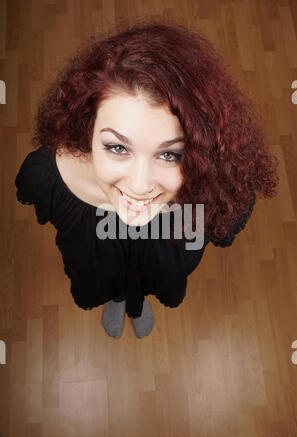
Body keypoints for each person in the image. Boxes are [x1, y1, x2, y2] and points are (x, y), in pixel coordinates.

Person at [14, 20, 279, 339]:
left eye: (170, 154)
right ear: (86, 125)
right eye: (117, 147)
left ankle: (138, 302)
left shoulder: (214, 189)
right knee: (104, 277)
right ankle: (119, 297)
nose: (139, 187)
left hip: (162, 259)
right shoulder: (46, 176)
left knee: (155, 277)